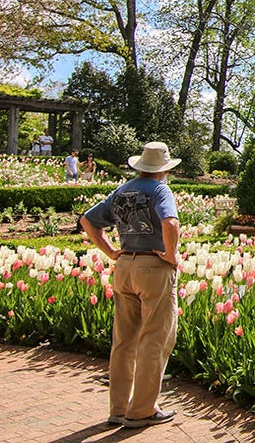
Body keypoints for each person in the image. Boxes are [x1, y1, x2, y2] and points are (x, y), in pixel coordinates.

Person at [79, 141, 181, 429]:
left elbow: (87, 220)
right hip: (153, 267)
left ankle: (118, 408)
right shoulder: (160, 190)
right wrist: (171, 255)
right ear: (164, 169)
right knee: (154, 338)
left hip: (124, 268)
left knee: (123, 340)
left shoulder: (122, 191)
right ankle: (142, 411)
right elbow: (170, 223)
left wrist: (111, 252)